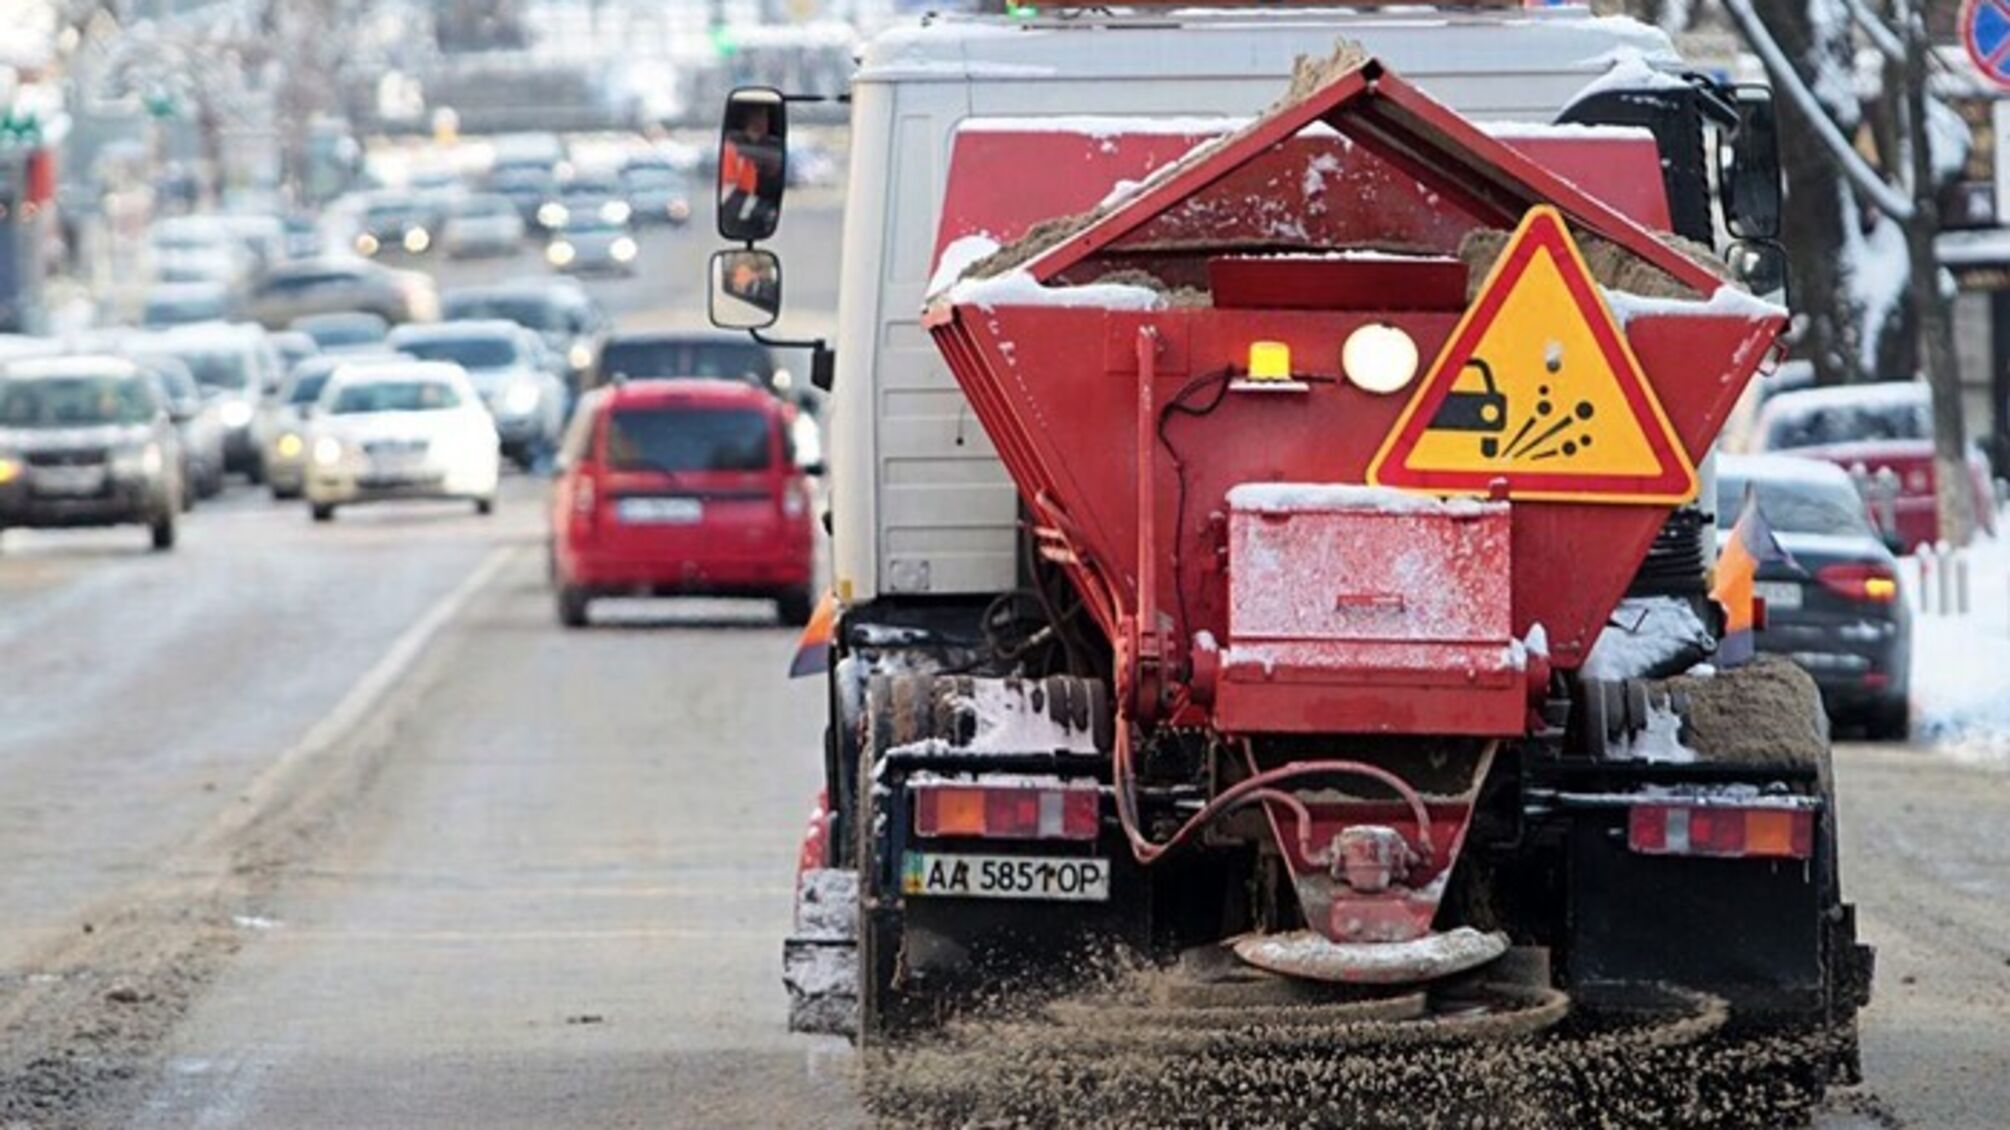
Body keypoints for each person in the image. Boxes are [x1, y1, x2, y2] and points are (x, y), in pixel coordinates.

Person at [719, 104, 784, 235]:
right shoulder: (730, 150)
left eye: (764, 117)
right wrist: (764, 212)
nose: (763, 122)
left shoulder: (753, 151)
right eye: (759, 116)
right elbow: (726, 194)